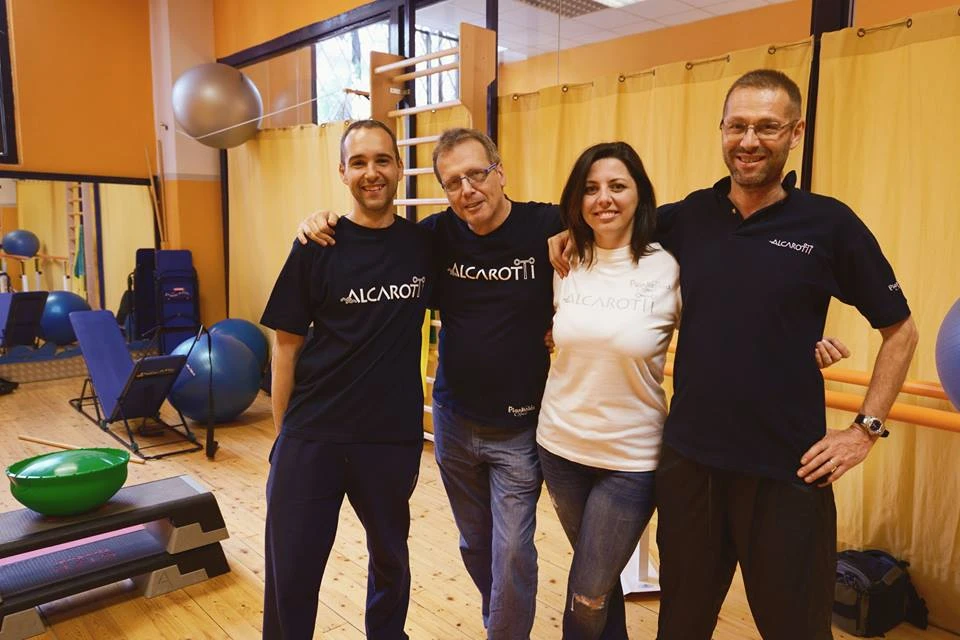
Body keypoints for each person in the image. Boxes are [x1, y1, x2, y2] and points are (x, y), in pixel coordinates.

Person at [550, 69, 918, 639]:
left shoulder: (829, 224)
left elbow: (902, 331)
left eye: (767, 127)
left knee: (795, 629)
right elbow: (615, 225)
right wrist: (567, 232)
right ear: (721, 129)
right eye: (738, 126)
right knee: (681, 626)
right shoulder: (687, 217)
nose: (749, 141)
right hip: (689, 465)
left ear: (796, 132)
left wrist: (863, 430)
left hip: (788, 471)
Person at [299, 127, 559, 639]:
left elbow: (613, 227)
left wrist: (566, 315)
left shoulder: (547, 223)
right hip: (454, 422)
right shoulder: (435, 237)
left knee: (512, 550)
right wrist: (318, 223)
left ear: (500, 172)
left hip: (519, 428)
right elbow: (374, 243)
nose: (468, 190)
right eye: (453, 182)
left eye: (477, 174)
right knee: (476, 545)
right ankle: (499, 620)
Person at [260, 119, 434, 640]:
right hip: (313, 434)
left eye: (381, 160)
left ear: (399, 168)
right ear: (342, 172)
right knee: (291, 570)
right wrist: (284, 436)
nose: (371, 172)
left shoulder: (424, 245)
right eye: (358, 162)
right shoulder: (318, 244)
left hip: (389, 439)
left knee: (391, 561)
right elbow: (286, 345)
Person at [537, 141, 679, 640]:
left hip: (631, 459)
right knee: (598, 576)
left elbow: (727, 329)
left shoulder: (669, 267)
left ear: (639, 194)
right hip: (559, 447)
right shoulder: (566, 259)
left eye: (617, 186)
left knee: (588, 589)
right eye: (591, 188)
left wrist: (806, 343)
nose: (604, 198)